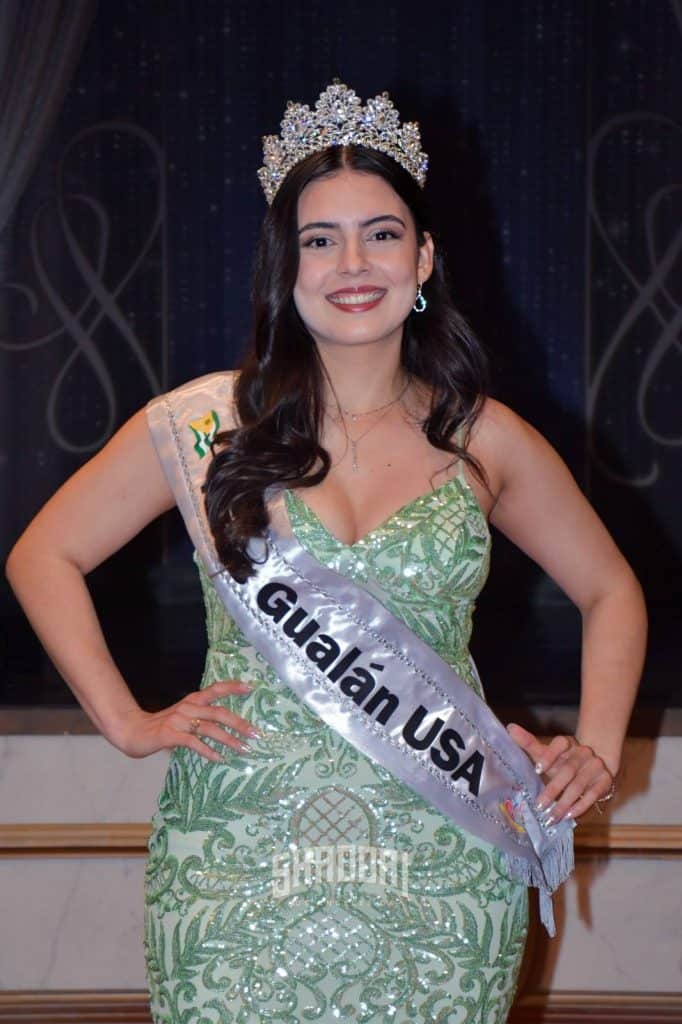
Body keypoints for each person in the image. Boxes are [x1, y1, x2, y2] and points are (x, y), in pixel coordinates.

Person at [6, 82, 646, 1023]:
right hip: (236, 852)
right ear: (287, 266)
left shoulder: (486, 438)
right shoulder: (205, 424)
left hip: (442, 857)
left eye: (381, 234)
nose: (353, 263)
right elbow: (42, 553)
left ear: (423, 256)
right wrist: (126, 720)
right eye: (320, 239)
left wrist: (596, 746)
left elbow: (610, 590)